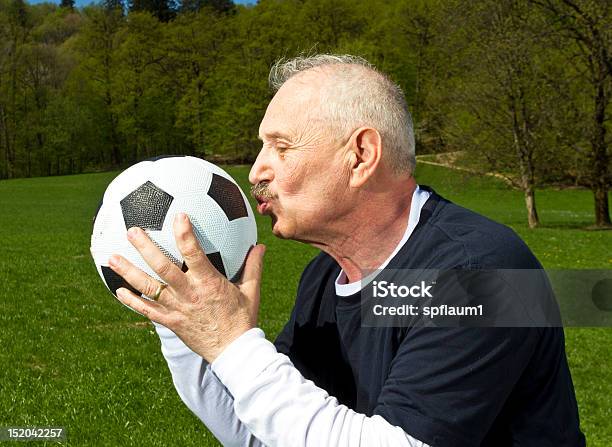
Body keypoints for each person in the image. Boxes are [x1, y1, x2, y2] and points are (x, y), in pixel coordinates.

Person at [107, 54, 586, 446]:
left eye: (281, 147)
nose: (255, 172)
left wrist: (232, 345)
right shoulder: (323, 278)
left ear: (360, 156)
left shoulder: (480, 272)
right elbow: (269, 433)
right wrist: (181, 319)